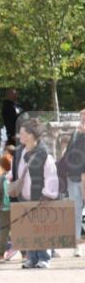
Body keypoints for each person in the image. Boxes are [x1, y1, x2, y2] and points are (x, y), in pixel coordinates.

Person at [9, 119, 59, 269]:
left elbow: (51, 175)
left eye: (23, 133)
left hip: (40, 196)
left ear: (31, 135)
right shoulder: (19, 152)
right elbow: (14, 172)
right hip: (24, 197)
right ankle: (31, 257)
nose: (19, 136)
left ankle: (44, 257)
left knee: (41, 227)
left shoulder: (44, 154)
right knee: (29, 228)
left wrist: (48, 194)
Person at [63, 108, 85, 258]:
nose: (82, 121)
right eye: (81, 118)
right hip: (73, 177)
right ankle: (77, 246)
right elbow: (69, 153)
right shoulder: (76, 134)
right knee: (75, 212)